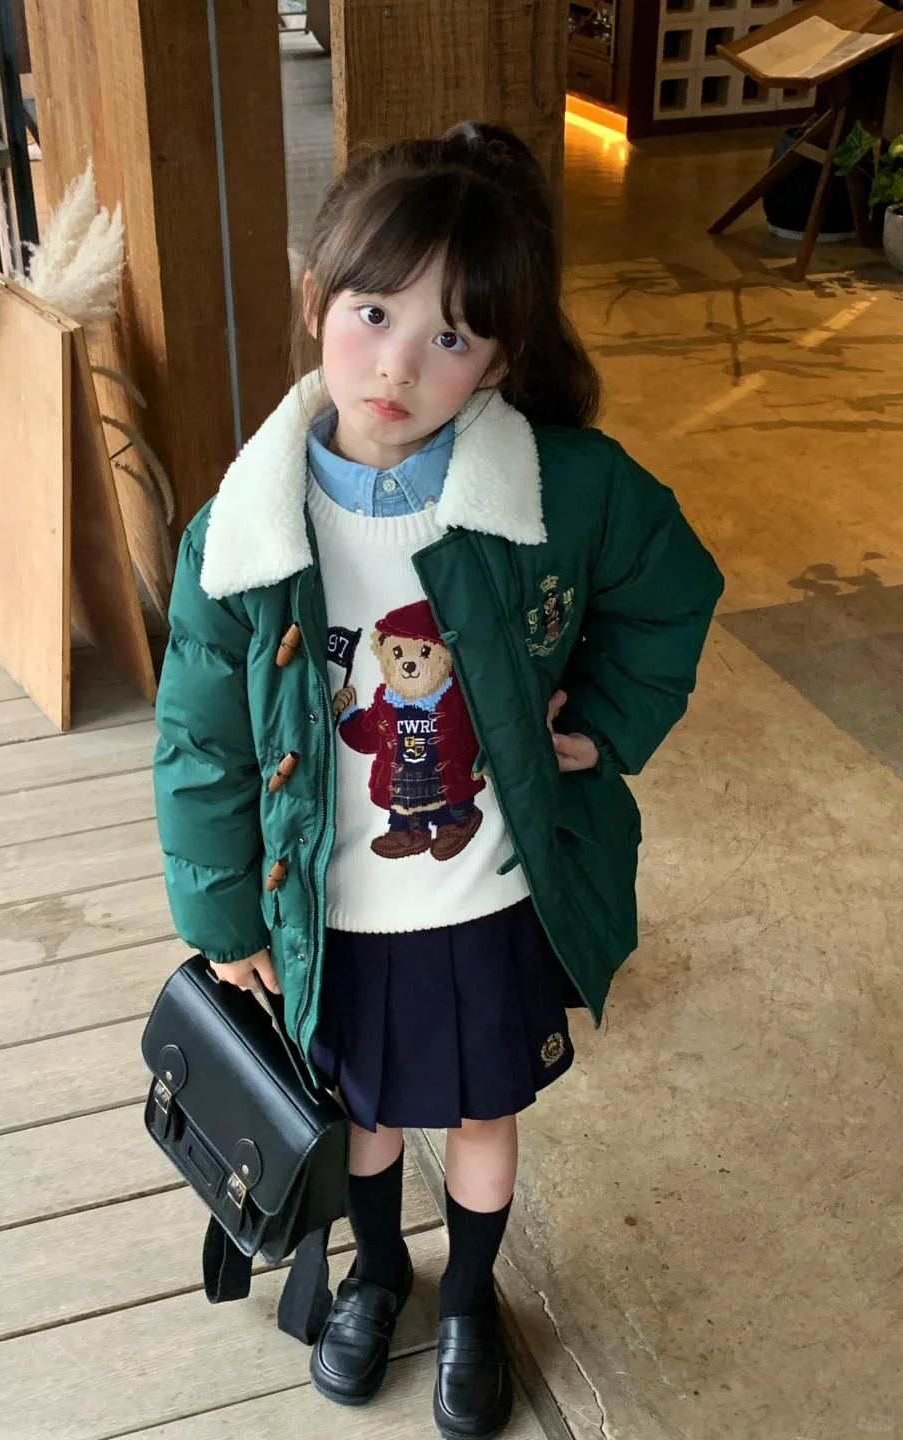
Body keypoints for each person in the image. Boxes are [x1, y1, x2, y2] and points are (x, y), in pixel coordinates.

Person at [153, 120, 723, 1440]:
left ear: (503, 358)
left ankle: (468, 1299)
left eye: (452, 336)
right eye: (372, 313)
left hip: (486, 897)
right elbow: (199, 737)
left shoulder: (564, 490)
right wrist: (223, 915)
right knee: (360, 1116)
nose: (399, 364)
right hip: (334, 909)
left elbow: (670, 594)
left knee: (480, 1108)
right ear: (316, 299)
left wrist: (606, 723)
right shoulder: (246, 528)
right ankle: (376, 1273)